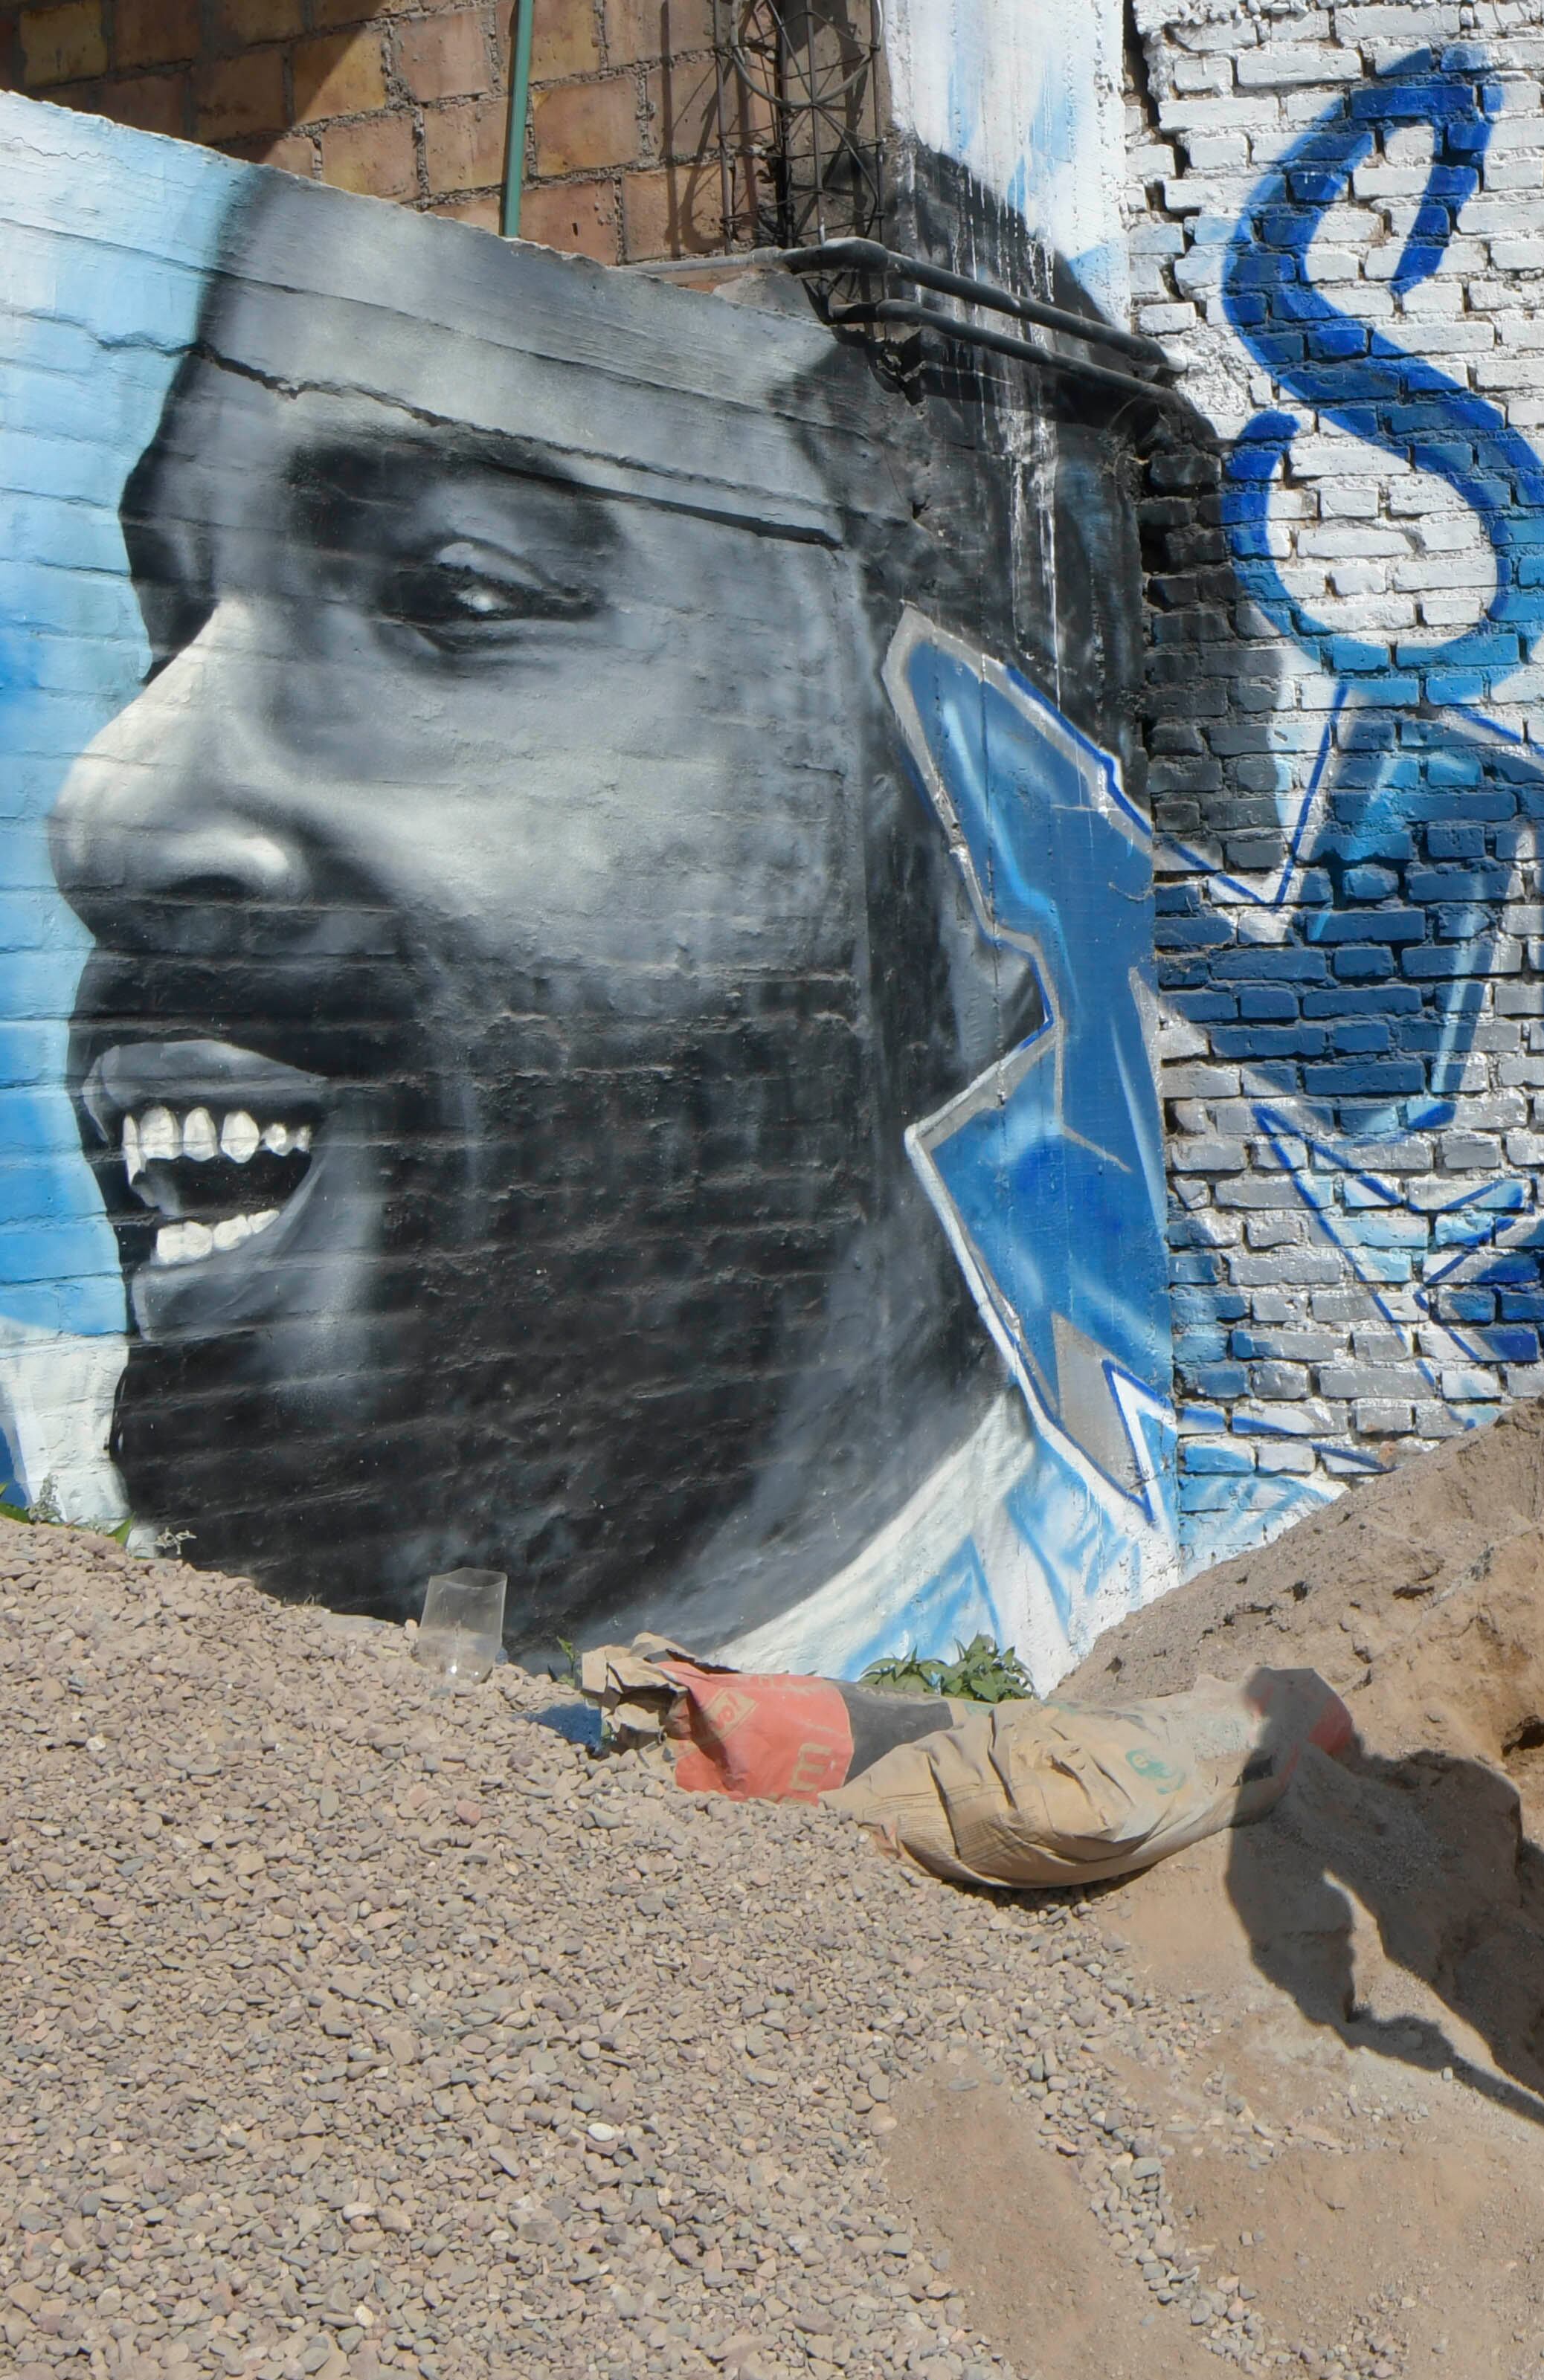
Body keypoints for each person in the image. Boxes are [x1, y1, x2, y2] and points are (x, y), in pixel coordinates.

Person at [32, 158, 1162, 1674]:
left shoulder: (1167, 1624)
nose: (107, 810)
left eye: (452, 597)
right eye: (178, 612)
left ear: (975, 854)